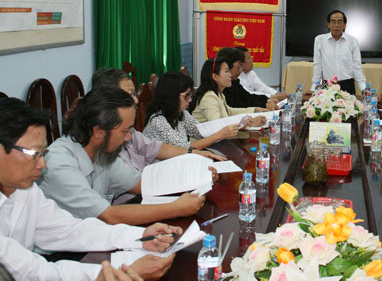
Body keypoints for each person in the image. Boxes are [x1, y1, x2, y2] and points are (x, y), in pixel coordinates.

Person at [0, 98, 177, 280]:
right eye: (35, 153)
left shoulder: (25, 189)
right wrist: (111, 274)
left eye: (43, 153)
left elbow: (69, 229)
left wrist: (141, 236)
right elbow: (34, 272)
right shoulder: (46, 171)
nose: (43, 164)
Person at [38, 88, 205, 225]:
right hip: (61, 251)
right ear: (99, 131)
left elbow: (143, 184)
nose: (129, 138)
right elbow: (108, 215)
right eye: (125, 131)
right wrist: (175, 208)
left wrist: (197, 178)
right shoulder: (60, 163)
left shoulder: (101, 153)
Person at [91, 68, 228, 204]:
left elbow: (155, 147)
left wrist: (194, 153)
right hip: (137, 198)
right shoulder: (103, 146)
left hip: (150, 187)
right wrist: (192, 180)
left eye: (134, 94)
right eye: (129, 95)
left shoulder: (131, 132)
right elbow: (137, 186)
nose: (136, 100)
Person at [143, 71, 238, 151]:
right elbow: (184, 149)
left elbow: (201, 132)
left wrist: (233, 126)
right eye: (186, 95)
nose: (190, 100)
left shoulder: (180, 113)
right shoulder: (158, 121)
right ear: (172, 96)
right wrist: (219, 135)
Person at [192, 57, 268, 126]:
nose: (230, 75)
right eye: (226, 71)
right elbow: (218, 125)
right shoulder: (209, 97)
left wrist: (255, 110)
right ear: (215, 76)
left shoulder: (218, 94)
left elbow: (229, 112)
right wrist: (249, 123)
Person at [311, 9, 366, 95]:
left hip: (348, 85)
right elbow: (318, 65)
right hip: (327, 85)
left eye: (340, 22)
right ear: (328, 24)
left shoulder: (352, 41)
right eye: (333, 22)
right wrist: (314, 87)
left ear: (345, 25)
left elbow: (357, 66)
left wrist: (363, 88)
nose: (336, 25)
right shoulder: (320, 40)